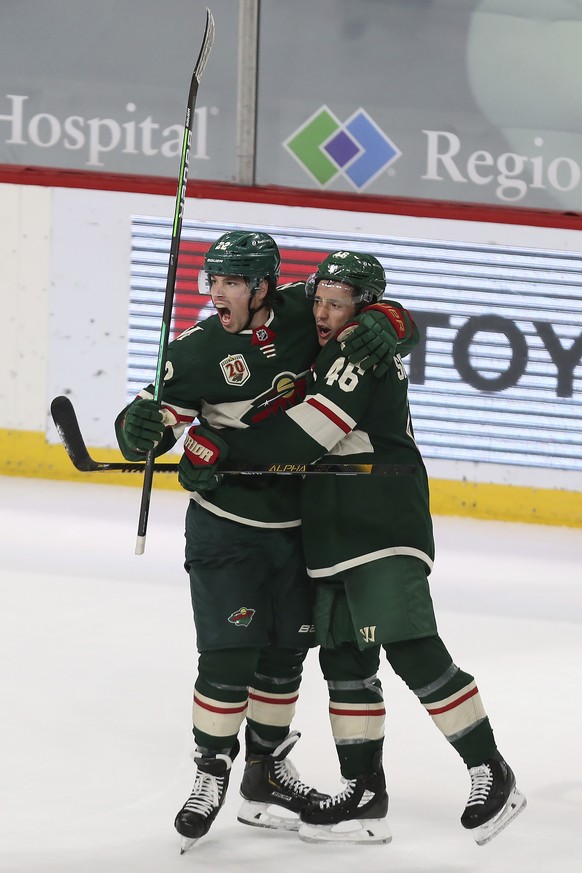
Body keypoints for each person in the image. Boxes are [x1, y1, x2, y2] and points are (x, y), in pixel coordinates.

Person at [182, 250, 527, 848]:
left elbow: (309, 434)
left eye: (337, 304)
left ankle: (489, 769)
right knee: (344, 660)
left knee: (411, 644)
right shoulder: (335, 333)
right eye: (319, 299)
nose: (321, 312)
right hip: (333, 528)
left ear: (364, 308)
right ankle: (364, 792)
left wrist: (220, 455)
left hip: (379, 521)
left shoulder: (357, 349)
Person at [113, 232, 418, 850]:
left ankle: (265, 771)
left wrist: (388, 319)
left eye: (229, 282)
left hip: (302, 526)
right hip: (227, 528)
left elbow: (379, 316)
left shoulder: (310, 312)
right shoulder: (195, 352)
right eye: (212, 281)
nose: (215, 293)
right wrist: (138, 429)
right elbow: (154, 425)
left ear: (262, 286)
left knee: (284, 657)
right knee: (229, 655)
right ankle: (209, 773)